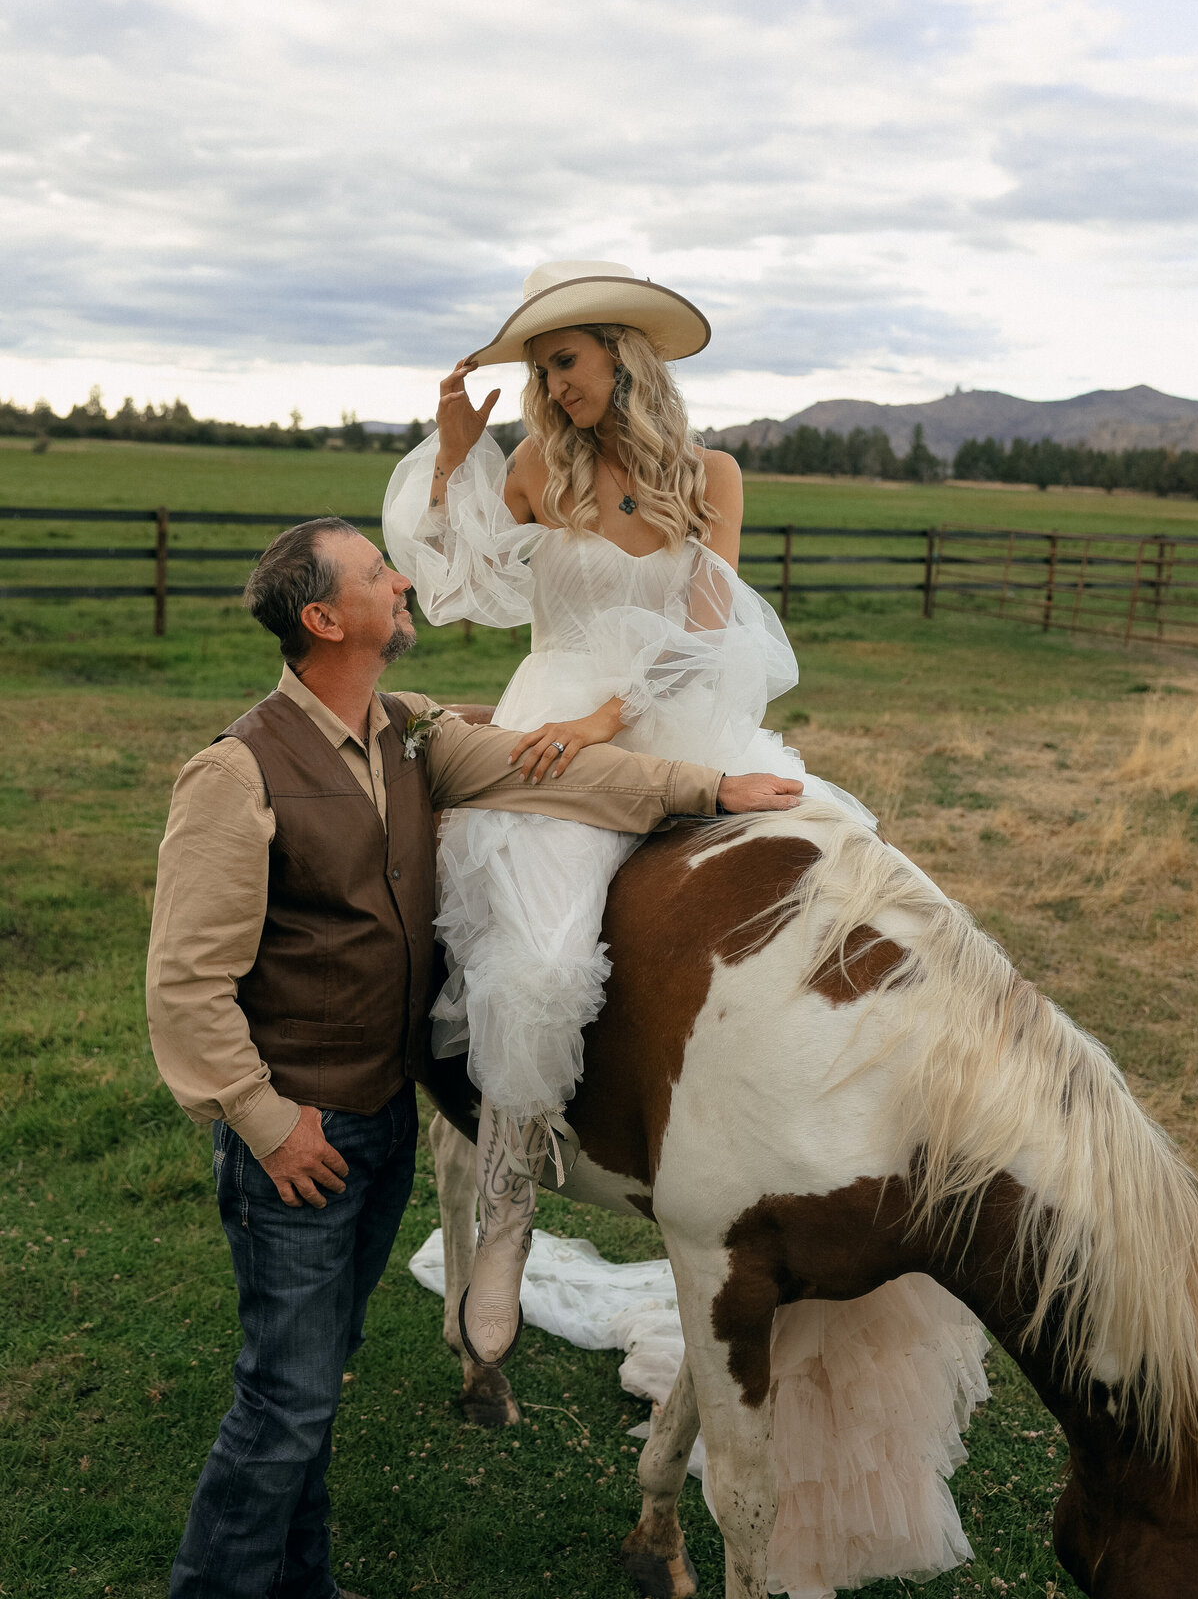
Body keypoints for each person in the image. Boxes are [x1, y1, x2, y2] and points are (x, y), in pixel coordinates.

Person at [383, 260, 989, 1594]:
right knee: (539, 958)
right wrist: (451, 461)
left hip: (679, 724)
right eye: (539, 368)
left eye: (568, 362)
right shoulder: (536, 471)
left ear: (624, 360)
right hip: (548, 741)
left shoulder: (708, 478)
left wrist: (624, 716)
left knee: (835, 874)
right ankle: (506, 1211)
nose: (551, 385)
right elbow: (466, 584)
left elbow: (718, 633)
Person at [145, 513, 803, 1599]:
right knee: (283, 1402)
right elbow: (185, 984)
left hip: (380, 1124)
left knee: (312, 1385)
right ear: (324, 618)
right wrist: (267, 1123)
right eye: (375, 573)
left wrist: (710, 791)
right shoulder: (236, 772)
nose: (402, 580)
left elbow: (554, 779)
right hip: (298, 1138)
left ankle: (297, 1586)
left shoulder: (409, 733)